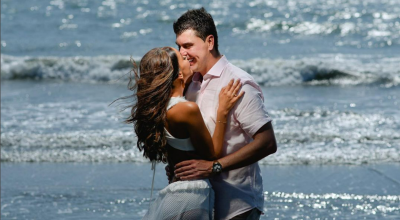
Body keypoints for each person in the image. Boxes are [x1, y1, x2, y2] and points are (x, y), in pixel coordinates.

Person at [172, 8, 277, 220]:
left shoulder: (238, 84)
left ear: (209, 42)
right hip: (199, 204)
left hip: (236, 205)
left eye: (188, 45)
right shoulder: (189, 83)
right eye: (179, 46)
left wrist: (215, 167)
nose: (182, 53)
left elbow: (267, 142)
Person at [124, 46, 244, 220]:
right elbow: (213, 154)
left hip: (177, 192)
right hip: (192, 196)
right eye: (182, 57)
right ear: (178, 73)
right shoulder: (185, 109)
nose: (187, 56)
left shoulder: (159, 110)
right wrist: (222, 112)